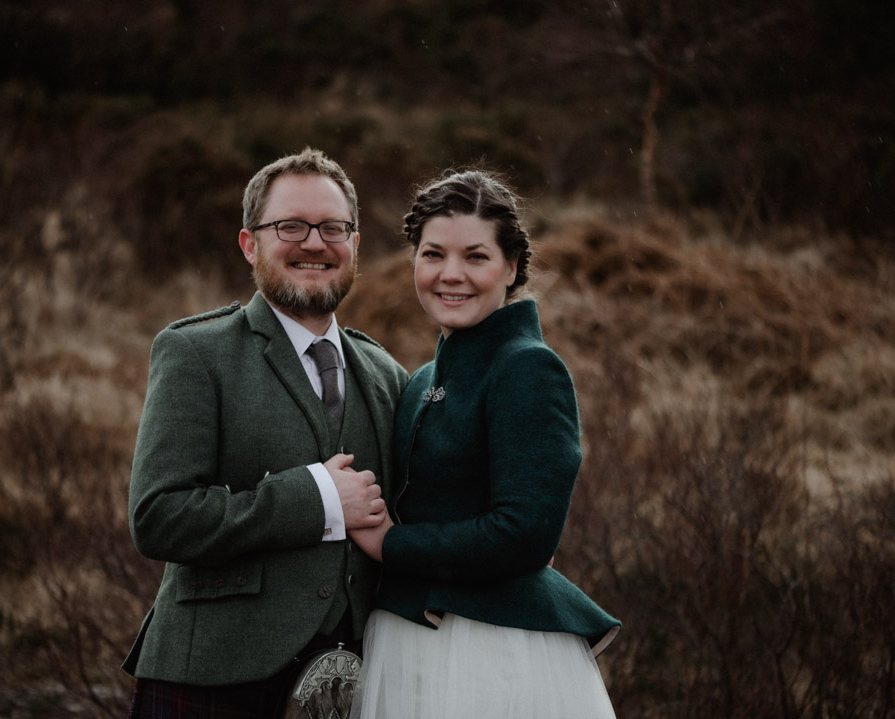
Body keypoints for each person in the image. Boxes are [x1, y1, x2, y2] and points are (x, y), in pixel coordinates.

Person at [122, 147, 409, 718]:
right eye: (291, 226)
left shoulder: (388, 375)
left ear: (355, 246)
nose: (313, 243)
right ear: (250, 243)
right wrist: (319, 498)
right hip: (211, 684)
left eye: (333, 228)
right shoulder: (195, 353)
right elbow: (159, 517)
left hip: (351, 686)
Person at [349, 169, 621, 719]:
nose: (451, 275)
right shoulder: (424, 378)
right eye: (433, 255)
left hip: (487, 651)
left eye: (475, 256)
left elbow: (524, 534)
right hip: (409, 640)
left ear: (512, 266)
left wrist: (390, 545)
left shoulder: (527, 368)